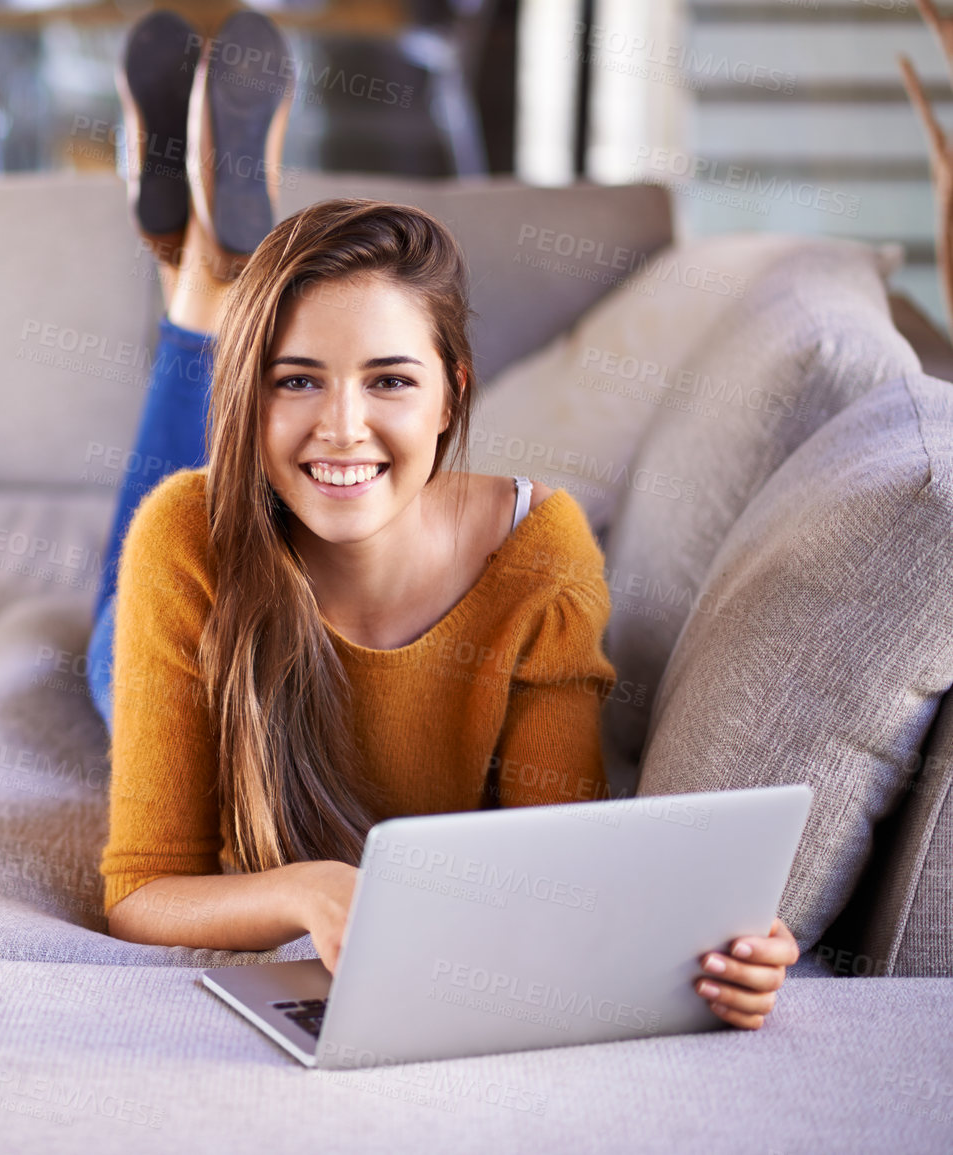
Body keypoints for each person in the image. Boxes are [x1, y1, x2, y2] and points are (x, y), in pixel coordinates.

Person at [89, 7, 798, 1031]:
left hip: (243, 529)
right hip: (179, 619)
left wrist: (719, 951)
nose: (344, 427)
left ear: (452, 393)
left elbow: (564, 863)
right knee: (132, 594)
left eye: (389, 380)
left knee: (215, 475)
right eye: (296, 380)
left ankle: (197, 281)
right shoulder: (187, 535)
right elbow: (141, 888)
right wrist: (306, 887)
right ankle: (203, 294)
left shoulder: (539, 555)